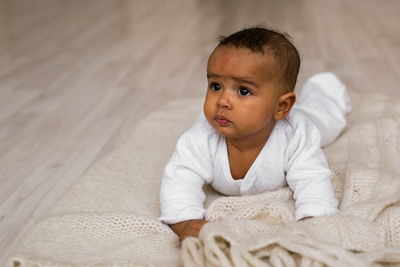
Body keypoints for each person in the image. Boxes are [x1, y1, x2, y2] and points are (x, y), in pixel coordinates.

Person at [159, 27, 351, 243]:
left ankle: (325, 87)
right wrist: (185, 221)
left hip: (304, 119)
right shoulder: (202, 135)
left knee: (326, 119)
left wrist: (314, 218)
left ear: (282, 106)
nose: (222, 100)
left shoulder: (297, 133)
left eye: (243, 91)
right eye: (216, 86)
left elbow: (312, 177)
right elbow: (180, 177)